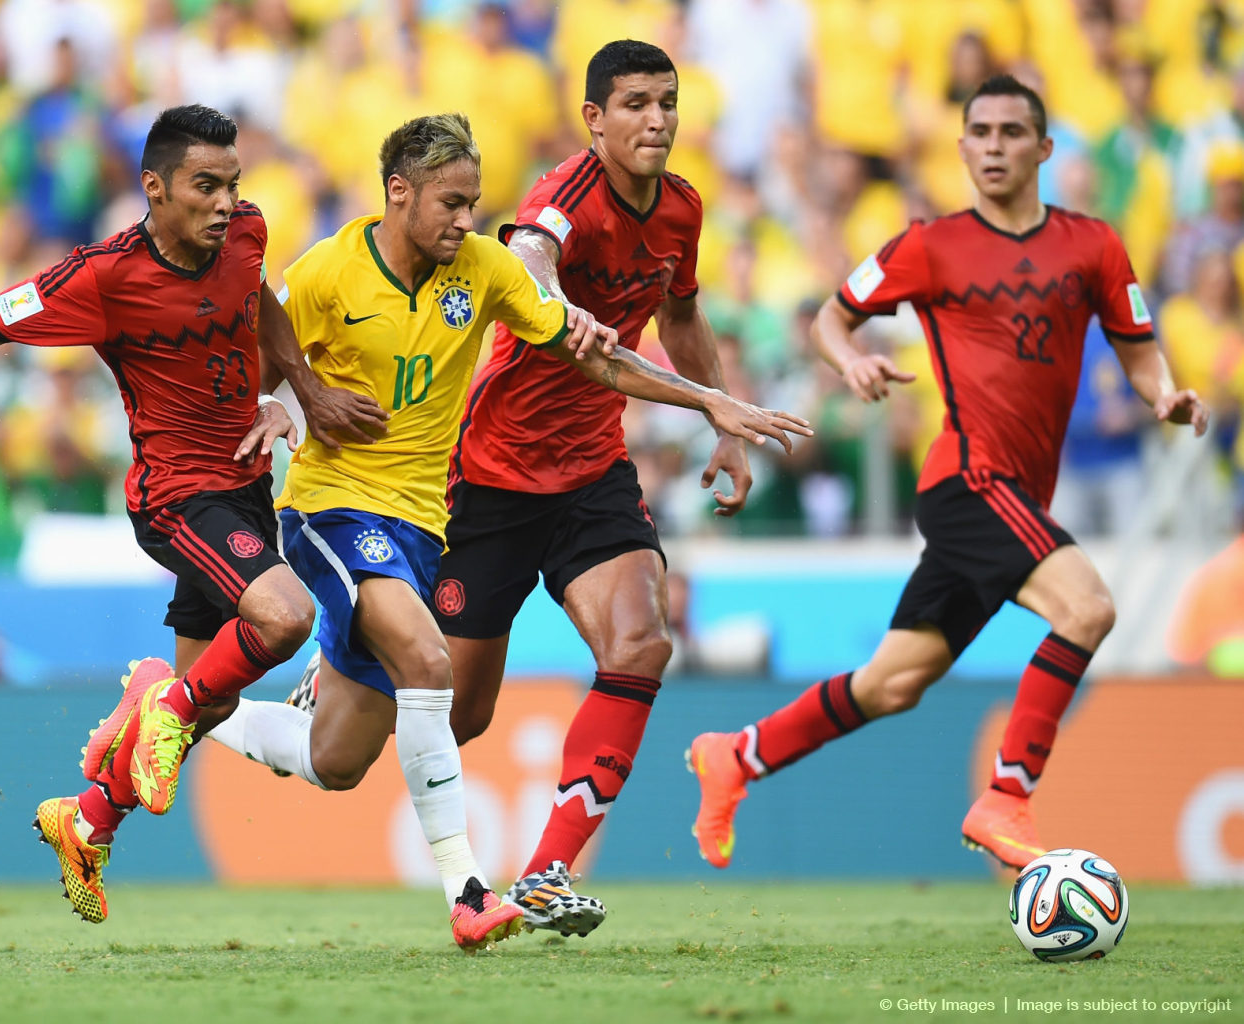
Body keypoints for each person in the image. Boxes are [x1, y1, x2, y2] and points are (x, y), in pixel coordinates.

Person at [197, 111, 798, 949]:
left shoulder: (477, 268)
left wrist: (708, 403)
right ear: (398, 192)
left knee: (355, 755)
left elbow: (592, 354)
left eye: (474, 203)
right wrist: (276, 397)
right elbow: (260, 337)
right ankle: (470, 894)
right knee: (429, 664)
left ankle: (189, 705)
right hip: (344, 503)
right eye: (451, 203)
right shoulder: (331, 268)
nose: (467, 220)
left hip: (425, 517)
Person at [0, 105, 376, 926]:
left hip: (242, 488)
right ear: (155, 188)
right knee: (286, 616)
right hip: (174, 495)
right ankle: (156, 706)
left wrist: (300, 391)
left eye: (233, 185)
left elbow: (260, 301)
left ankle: (88, 818)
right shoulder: (101, 277)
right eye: (205, 186)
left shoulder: (246, 232)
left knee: (217, 700)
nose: (224, 203)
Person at [687, 74, 1210, 872]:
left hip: (1019, 499)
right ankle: (1009, 792)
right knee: (1089, 608)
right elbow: (833, 316)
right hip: (968, 481)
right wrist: (850, 359)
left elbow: (1139, 347)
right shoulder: (931, 244)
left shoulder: (1095, 245)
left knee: (894, 683)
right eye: (981, 133)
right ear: (962, 147)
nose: (994, 146)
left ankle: (738, 754)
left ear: (1044, 147)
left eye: (1011, 132)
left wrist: (1163, 394)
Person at [418, 39, 810, 937]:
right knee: (461, 712)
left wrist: (723, 422)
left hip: (592, 470)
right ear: (594, 119)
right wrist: (557, 297)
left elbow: (680, 314)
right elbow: (529, 256)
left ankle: (548, 869)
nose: (658, 119)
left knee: (642, 642)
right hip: (494, 474)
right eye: (635, 103)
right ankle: (337, 681)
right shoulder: (566, 196)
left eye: (666, 101)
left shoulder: (681, 209)